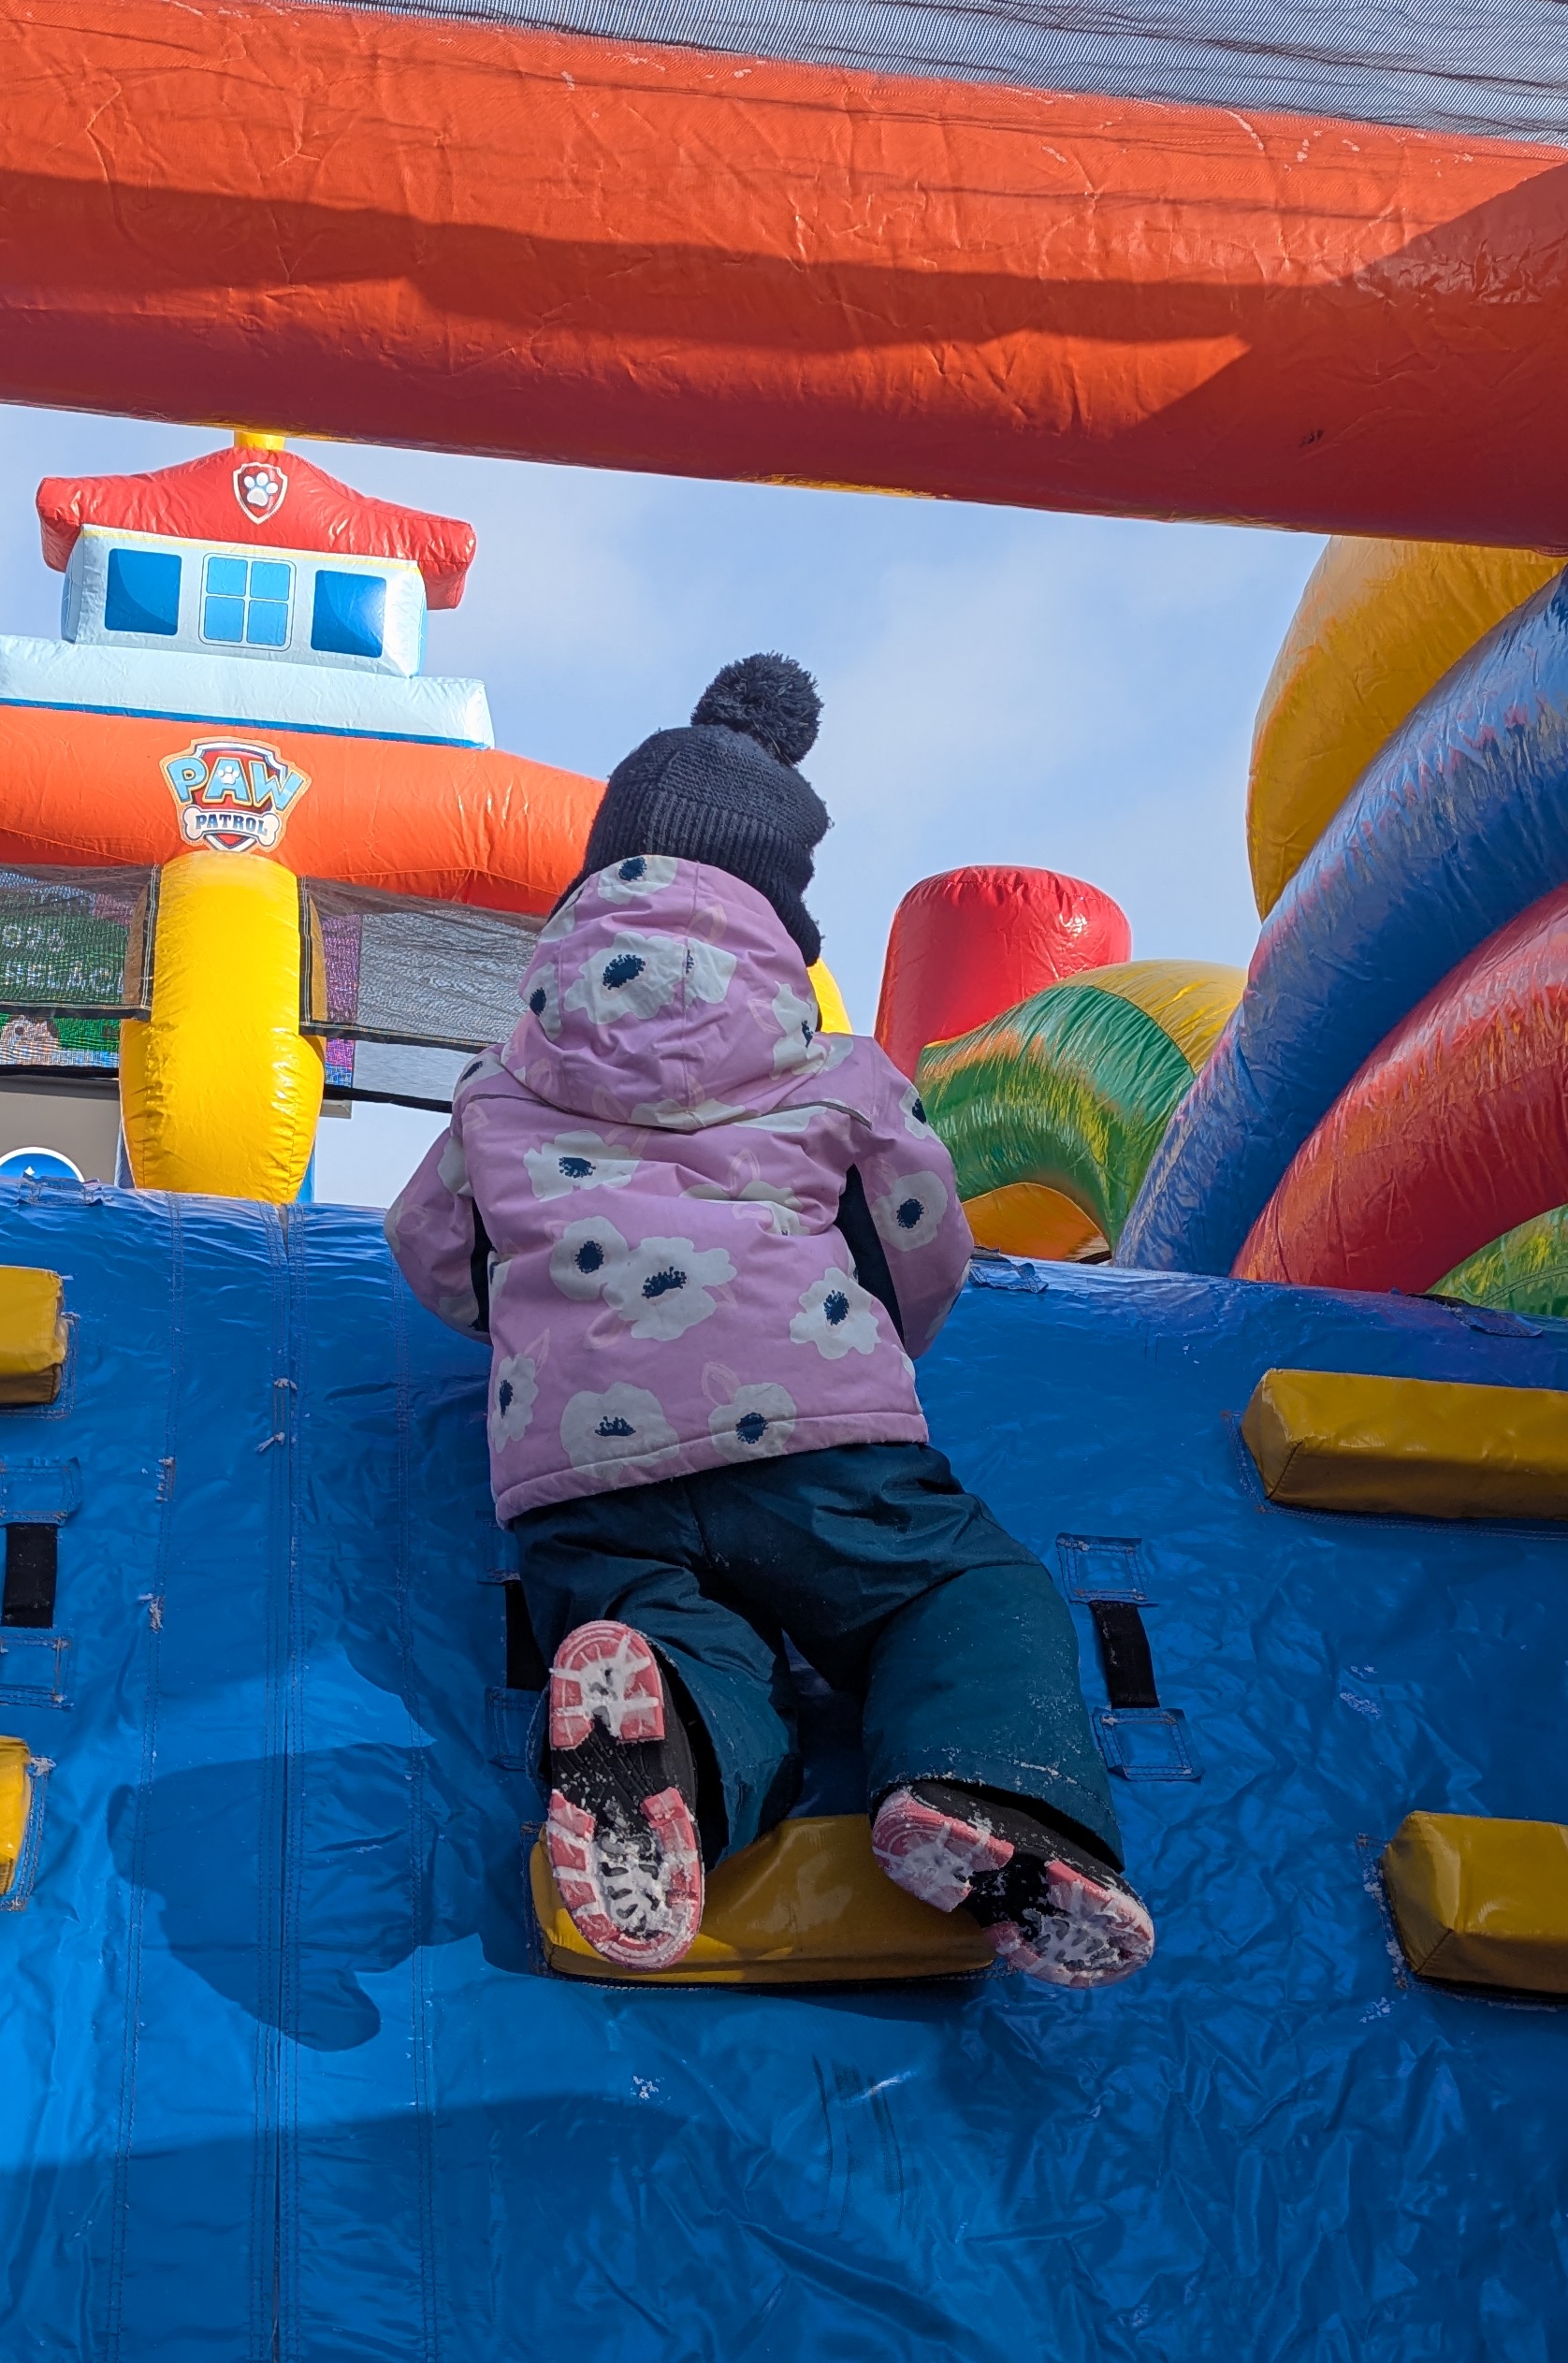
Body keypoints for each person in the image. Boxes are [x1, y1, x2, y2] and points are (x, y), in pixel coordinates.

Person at [385, 655, 1154, 1988]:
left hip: (581, 1473)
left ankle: (664, 1732)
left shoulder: (498, 1087)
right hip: (818, 1442)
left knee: (676, 1627)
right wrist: (874, 1342)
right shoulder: (837, 1072)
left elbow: (431, 1249)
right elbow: (924, 1244)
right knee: (959, 1592)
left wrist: (527, 1329)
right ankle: (988, 1793)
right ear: (780, 918)